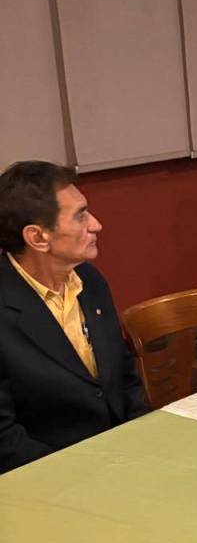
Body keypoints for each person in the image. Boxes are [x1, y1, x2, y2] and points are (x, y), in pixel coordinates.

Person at [0, 161, 148, 473]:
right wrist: (79, 474)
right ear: (38, 238)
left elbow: (124, 375)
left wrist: (142, 439)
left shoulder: (89, 281)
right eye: (81, 215)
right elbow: (5, 439)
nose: (96, 225)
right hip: (50, 476)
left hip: (124, 457)